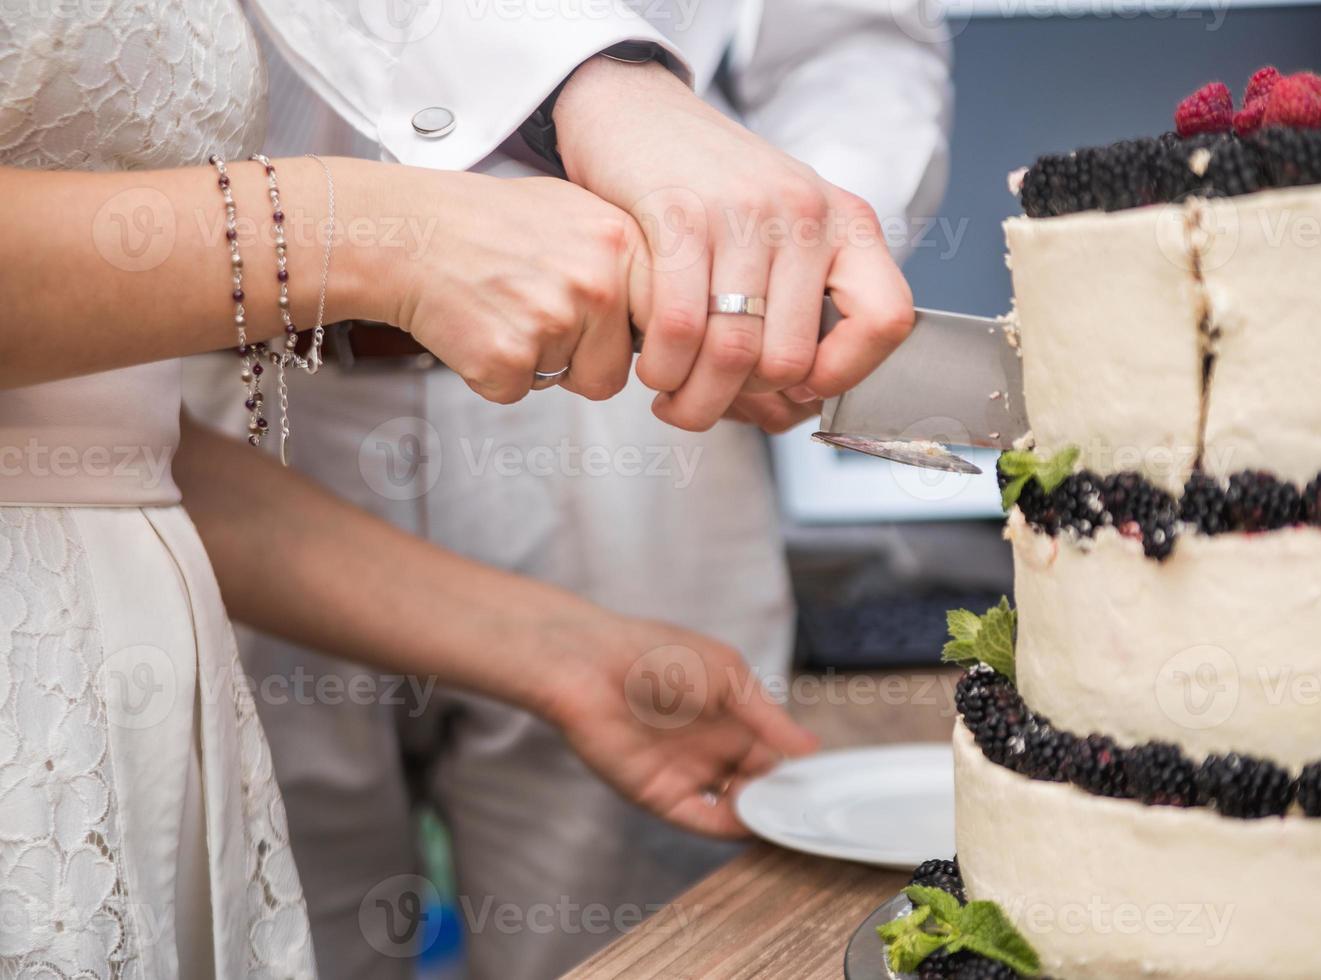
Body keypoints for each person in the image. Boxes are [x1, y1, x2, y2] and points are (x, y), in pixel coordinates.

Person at [0, 0, 924, 972]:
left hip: (618, 374)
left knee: (643, 925)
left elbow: (102, 439)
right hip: (233, 372)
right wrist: (402, 216)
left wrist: (757, 262)